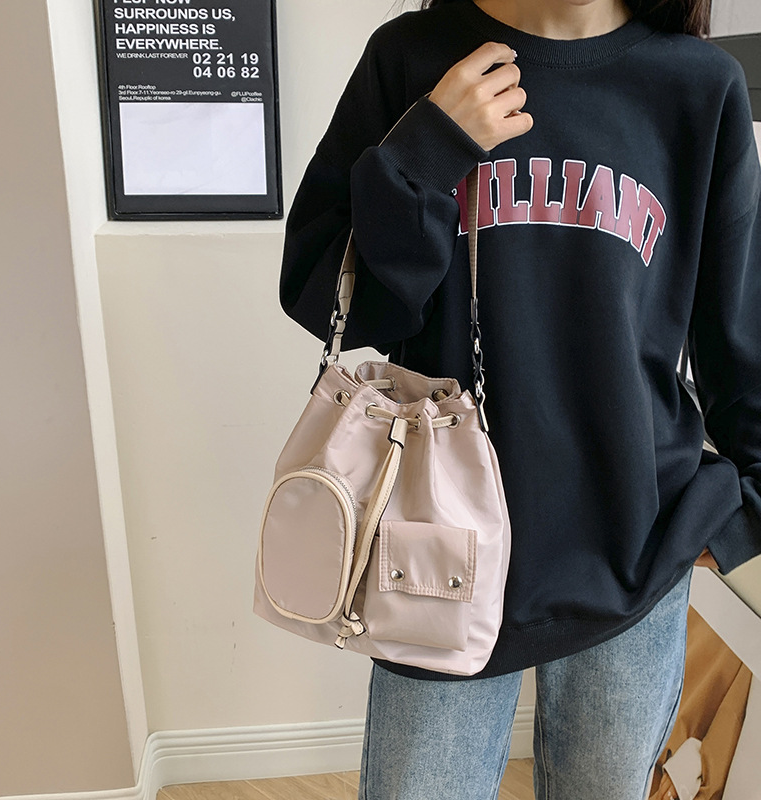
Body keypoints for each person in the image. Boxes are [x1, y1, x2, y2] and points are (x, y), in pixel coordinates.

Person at [278, 0, 761, 797]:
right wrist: (427, 149)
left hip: (635, 551)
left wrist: (747, 510)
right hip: (437, 549)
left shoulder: (698, 85)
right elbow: (326, 298)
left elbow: (739, 331)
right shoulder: (412, 58)